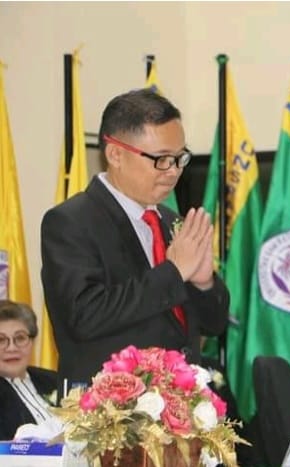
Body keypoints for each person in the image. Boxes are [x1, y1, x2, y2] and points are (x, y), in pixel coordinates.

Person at [40, 89, 230, 390]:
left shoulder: (172, 222)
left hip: (179, 402)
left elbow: (213, 324)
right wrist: (174, 272)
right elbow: (85, 317)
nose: (173, 171)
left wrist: (204, 283)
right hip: (107, 407)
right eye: (161, 159)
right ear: (115, 154)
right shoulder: (71, 222)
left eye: (180, 158)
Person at [0, 300, 60, 440]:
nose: (12, 348)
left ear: (32, 341)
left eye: (20, 338)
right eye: (1, 340)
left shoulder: (54, 380)